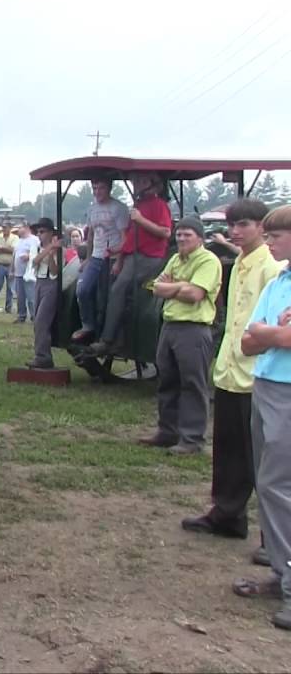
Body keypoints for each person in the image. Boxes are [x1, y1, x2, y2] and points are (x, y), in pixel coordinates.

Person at [182, 199, 282, 541]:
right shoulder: (238, 262)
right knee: (227, 448)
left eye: (244, 225)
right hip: (230, 369)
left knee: (264, 459)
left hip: (258, 373)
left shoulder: (270, 267)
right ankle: (227, 513)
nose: (236, 232)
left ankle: (274, 538)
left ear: (261, 227)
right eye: (233, 225)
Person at [232, 205, 291, 630]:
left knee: (280, 486)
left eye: (276, 235)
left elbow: (273, 336)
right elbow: (249, 342)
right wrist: (276, 334)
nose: (269, 243)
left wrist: (273, 335)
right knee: (269, 485)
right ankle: (281, 572)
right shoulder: (280, 281)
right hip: (267, 385)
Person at [138, 217, 222, 455]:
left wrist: (171, 287)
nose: (182, 238)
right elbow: (155, 287)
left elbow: (195, 294)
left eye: (188, 234)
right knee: (167, 380)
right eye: (179, 234)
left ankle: (192, 439)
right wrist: (178, 286)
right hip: (170, 325)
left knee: (193, 384)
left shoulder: (208, 261)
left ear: (200, 237)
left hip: (194, 329)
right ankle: (167, 432)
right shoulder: (175, 258)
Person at [90, 173, 173, 355]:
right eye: (135, 181)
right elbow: (129, 238)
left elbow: (166, 232)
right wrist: (119, 260)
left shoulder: (159, 205)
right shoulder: (139, 206)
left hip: (150, 258)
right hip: (132, 257)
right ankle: (112, 334)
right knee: (109, 289)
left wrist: (141, 219)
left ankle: (108, 339)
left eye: (141, 181)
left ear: (153, 185)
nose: (136, 184)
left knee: (119, 289)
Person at [72, 177, 130, 343]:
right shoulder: (92, 209)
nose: (97, 192)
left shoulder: (118, 208)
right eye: (95, 188)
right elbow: (90, 235)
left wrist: (119, 260)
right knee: (82, 290)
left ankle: (109, 335)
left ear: (109, 188)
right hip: (96, 256)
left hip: (112, 256)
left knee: (106, 298)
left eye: (101, 188)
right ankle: (88, 325)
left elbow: (124, 237)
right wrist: (88, 258)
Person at [26, 218, 63, 368]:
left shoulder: (59, 249)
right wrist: (49, 249)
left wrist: (53, 253)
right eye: (38, 232)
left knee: (41, 320)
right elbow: (34, 262)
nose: (40, 235)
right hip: (39, 283)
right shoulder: (36, 247)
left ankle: (43, 357)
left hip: (51, 284)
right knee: (38, 320)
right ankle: (42, 355)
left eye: (43, 232)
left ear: (50, 233)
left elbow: (55, 271)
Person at [13, 223, 40, 323]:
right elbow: (14, 255)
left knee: (31, 296)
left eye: (20, 227)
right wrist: (12, 270)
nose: (18, 230)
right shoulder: (18, 241)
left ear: (27, 228)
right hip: (18, 273)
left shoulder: (34, 240)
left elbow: (38, 252)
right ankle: (21, 316)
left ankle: (34, 316)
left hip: (29, 274)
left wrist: (29, 256)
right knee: (20, 296)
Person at [0, 223, 19, 314]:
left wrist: (1, 248)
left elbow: (13, 250)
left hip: (11, 266)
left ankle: (8, 307)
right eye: (3, 227)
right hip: (0, 264)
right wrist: (7, 249)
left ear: (10, 228)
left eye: (6, 227)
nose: (4, 229)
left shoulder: (15, 238)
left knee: (10, 288)